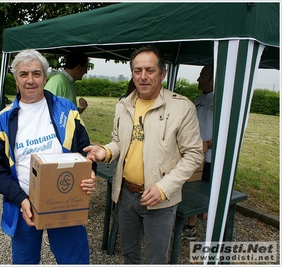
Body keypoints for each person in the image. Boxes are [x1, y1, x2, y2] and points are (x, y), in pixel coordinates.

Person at [83, 46, 203, 264]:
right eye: (137, 71)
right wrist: (106, 151)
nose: (143, 76)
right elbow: (119, 141)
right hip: (126, 194)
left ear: (162, 73)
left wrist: (163, 188)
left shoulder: (181, 108)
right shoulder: (124, 105)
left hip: (159, 200)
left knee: (156, 259)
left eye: (150, 70)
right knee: (129, 254)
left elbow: (193, 156)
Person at [0, 49, 97, 264]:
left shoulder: (67, 110)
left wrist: (90, 175)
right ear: (16, 79)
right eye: (23, 74)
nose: (30, 80)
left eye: (36, 73)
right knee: (25, 261)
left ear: (45, 77)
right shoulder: (4, 119)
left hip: (65, 201)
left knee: (74, 260)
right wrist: (20, 199)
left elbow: (85, 151)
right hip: (24, 205)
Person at [181, 64, 214, 241]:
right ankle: (190, 226)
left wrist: (208, 143)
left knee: (206, 192)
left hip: (210, 159)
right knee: (190, 188)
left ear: (212, 78)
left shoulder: (222, 102)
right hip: (194, 156)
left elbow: (228, 133)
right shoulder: (197, 100)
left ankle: (209, 230)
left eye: (202, 75)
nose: (198, 79)